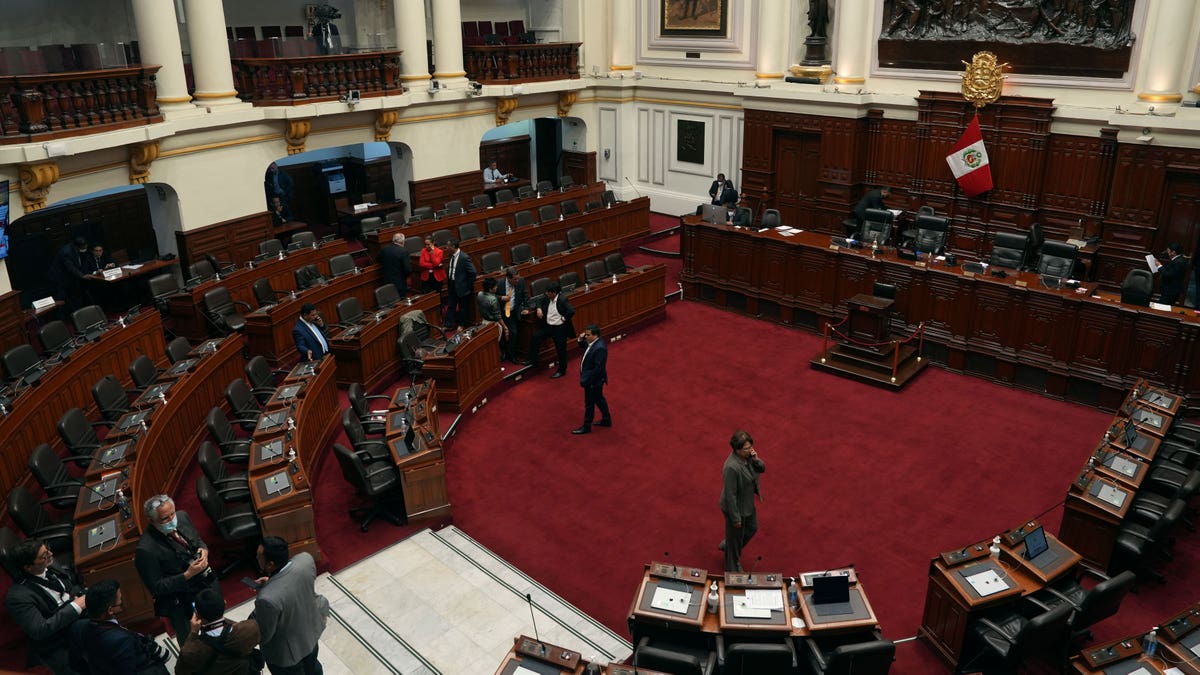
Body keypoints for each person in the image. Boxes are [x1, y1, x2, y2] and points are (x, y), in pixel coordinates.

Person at [134, 494, 219, 646]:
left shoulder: (182, 516)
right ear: (151, 520)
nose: (172, 519)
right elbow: (157, 587)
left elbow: (198, 540)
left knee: (216, 626)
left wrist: (204, 550)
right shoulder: (145, 550)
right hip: (181, 601)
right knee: (190, 642)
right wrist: (187, 575)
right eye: (165, 518)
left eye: (172, 513)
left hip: (206, 584)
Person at [5, 538, 86, 674]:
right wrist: (75, 607)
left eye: (47, 550)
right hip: (57, 640)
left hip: (76, 614)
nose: (51, 554)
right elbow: (40, 630)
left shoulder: (48, 564)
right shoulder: (17, 598)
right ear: (28, 567)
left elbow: (69, 585)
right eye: (44, 556)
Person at [253, 537, 330, 675]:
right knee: (313, 668)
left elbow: (265, 635)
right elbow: (291, 585)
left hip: (287, 656)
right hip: (310, 636)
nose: (256, 558)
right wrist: (272, 583)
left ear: (270, 565)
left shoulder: (267, 598)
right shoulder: (305, 560)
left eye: (258, 556)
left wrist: (268, 589)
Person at [71, 579, 171, 675]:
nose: (122, 603)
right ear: (110, 610)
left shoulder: (79, 626)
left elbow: (76, 664)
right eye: (121, 602)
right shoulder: (122, 640)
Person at [174, 586, 261, 675]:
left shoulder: (191, 651)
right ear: (225, 604)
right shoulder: (250, 628)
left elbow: (180, 672)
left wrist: (193, 633)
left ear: (197, 615)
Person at [719, 430, 766, 572]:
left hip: (747, 504)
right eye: (746, 448)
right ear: (737, 450)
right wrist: (735, 518)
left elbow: (762, 469)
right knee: (735, 538)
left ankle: (729, 545)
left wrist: (756, 459)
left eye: (750, 446)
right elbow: (730, 495)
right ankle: (732, 567)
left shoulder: (749, 457)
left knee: (752, 528)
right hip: (735, 508)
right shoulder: (731, 467)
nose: (750, 450)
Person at [524, 282, 574, 379]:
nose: (546, 294)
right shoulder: (547, 297)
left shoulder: (562, 300)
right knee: (536, 336)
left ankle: (562, 370)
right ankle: (533, 360)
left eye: (548, 292)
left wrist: (563, 319)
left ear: (554, 293)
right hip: (549, 327)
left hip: (560, 329)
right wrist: (538, 308)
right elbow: (538, 300)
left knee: (561, 350)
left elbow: (571, 311)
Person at [572, 324, 611, 435]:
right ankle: (606, 419)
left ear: (595, 335)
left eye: (587, 335)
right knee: (599, 399)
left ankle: (586, 426)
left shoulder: (600, 348)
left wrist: (588, 381)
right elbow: (584, 346)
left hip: (593, 381)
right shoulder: (593, 343)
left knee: (589, 403)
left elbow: (598, 369)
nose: (585, 336)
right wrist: (580, 339)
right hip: (593, 380)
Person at [49, 236, 92, 310]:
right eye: (83, 248)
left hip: (71, 276)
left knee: (76, 295)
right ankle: (61, 318)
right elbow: (71, 268)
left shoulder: (77, 247)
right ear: (76, 246)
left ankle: (77, 312)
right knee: (61, 298)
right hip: (60, 277)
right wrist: (82, 276)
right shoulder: (66, 252)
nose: (85, 249)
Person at [444, 239, 476, 331]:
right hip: (452, 284)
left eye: (448, 246)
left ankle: (461, 325)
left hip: (462, 287)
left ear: (453, 247)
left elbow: (473, 272)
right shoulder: (451, 255)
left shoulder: (464, 257)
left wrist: (467, 285)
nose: (447, 248)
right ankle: (448, 325)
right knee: (451, 305)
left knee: (462, 307)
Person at [497, 267, 526, 363]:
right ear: (508, 278)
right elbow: (491, 297)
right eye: (515, 279)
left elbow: (525, 295)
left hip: (514, 311)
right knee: (502, 335)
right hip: (502, 312)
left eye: (518, 278)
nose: (517, 280)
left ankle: (511, 354)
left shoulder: (521, 281)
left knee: (513, 332)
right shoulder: (499, 284)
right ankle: (504, 352)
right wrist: (501, 298)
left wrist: (525, 308)